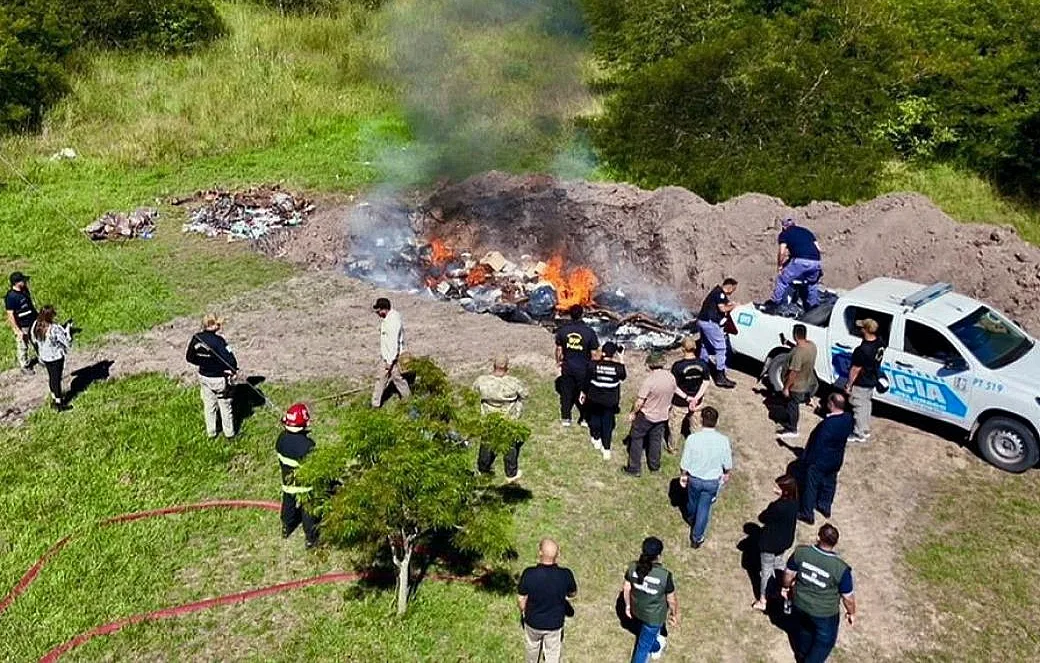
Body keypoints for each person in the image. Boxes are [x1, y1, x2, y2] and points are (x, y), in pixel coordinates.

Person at [782, 524, 856, 663]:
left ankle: (802, 655)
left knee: (804, 631)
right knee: (824, 642)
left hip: (800, 603)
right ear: (835, 543)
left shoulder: (801, 552)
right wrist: (851, 612)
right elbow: (848, 597)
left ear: (818, 537)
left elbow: (788, 573)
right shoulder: (841, 568)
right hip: (825, 613)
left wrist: (785, 587)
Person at [679, 407, 732, 548]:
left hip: (695, 479)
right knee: (704, 508)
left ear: (701, 420)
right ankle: (697, 537)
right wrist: (726, 473)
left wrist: (683, 475)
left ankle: (691, 519)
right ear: (716, 421)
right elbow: (727, 463)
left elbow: (685, 462)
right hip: (712, 481)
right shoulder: (723, 440)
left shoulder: (693, 439)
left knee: (692, 503)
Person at [518, 538, 578, 663]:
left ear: (540, 552)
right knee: (552, 653)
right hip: (554, 625)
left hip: (533, 622)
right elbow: (573, 593)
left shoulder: (529, 574)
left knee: (532, 648)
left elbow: (521, 598)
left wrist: (524, 611)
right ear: (558, 555)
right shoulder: (565, 575)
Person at [798, 393, 854, 525]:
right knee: (829, 482)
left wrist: (808, 461)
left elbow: (818, 444)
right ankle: (825, 506)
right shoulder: (848, 419)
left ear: (831, 404)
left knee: (811, 484)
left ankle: (807, 513)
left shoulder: (827, 425)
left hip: (821, 461)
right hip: (836, 459)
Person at [622, 536, 680, 663]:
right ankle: (657, 646)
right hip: (654, 617)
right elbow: (671, 600)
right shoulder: (664, 576)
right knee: (643, 648)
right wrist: (674, 614)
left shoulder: (632, 568)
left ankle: (655, 645)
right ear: (658, 555)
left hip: (636, 610)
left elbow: (626, 587)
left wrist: (627, 606)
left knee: (646, 638)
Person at [474, 354, 529, 482]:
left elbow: (474, 391)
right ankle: (511, 473)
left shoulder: (482, 381)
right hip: (508, 419)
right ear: (507, 367)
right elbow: (525, 394)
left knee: (486, 444)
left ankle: (483, 469)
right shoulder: (513, 383)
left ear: (493, 365)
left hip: (488, 419)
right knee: (510, 446)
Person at [622, 351, 676, 477]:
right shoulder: (671, 377)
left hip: (646, 416)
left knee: (636, 438)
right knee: (656, 440)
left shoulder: (650, 381)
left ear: (650, 365)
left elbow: (639, 402)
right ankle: (654, 466)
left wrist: (633, 413)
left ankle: (634, 468)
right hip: (662, 415)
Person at [185, 313, 238, 439]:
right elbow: (230, 361)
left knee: (209, 405)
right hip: (219, 379)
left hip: (204, 376)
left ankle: (211, 433)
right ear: (213, 325)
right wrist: (230, 370)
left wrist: (203, 363)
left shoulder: (196, 338)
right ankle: (229, 434)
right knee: (225, 405)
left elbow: (189, 357)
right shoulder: (219, 342)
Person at [752, 474, 800, 611]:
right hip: (785, 541)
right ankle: (784, 588)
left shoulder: (777, 506)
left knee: (766, 571)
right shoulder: (795, 503)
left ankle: (763, 600)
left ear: (785, 490)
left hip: (770, 543)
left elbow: (763, 517)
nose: (774, 489)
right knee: (779, 564)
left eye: (778, 487)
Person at [276, 402, 318, 548]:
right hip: (305, 486)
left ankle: (286, 528)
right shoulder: (307, 445)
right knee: (308, 512)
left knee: (288, 505)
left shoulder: (281, 440)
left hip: (288, 482)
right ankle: (310, 539)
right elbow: (314, 467)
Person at [554, 304, 599, 426]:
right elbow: (594, 354)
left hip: (567, 367)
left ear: (570, 315)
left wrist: (559, 363)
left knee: (566, 393)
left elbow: (559, 350)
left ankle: (566, 418)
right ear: (582, 314)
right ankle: (584, 418)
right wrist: (594, 368)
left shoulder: (563, 330)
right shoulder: (589, 332)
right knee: (584, 394)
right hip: (584, 369)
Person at [768, 217, 823, 309]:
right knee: (812, 283)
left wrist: (780, 266)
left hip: (801, 261)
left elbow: (782, 252)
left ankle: (775, 302)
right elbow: (819, 249)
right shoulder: (807, 231)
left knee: (782, 280)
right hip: (816, 261)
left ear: (784, 227)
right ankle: (813, 306)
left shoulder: (784, 234)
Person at [584, 342, 626, 461]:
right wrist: (621, 357)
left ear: (603, 352)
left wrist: (583, 392)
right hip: (610, 401)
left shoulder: (593, 365)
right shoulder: (618, 368)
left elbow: (587, 379)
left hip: (595, 398)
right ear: (613, 354)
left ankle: (596, 438)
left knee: (595, 419)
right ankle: (606, 449)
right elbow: (623, 376)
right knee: (607, 424)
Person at [844, 319, 884, 443]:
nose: (860, 329)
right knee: (866, 404)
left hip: (862, 381)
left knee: (858, 407)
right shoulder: (880, 342)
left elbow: (855, 369)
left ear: (866, 330)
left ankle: (858, 433)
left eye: (862, 327)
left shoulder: (862, 350)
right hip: (872, 378)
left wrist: (849, 385)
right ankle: (865, 429)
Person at [668, 335, 710, 453]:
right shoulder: (703, 364)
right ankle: (696, 447)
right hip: (697, 402)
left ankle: (673, 448)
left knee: (675, 426)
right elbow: (706, 382)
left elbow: (674, 386)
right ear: (695, 348)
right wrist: (696, 398)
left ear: (682, 349)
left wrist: (687, 398)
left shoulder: (678, 366)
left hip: (680, 402)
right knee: (696, 426)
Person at [696, 278, 739, 388]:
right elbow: (722, 309)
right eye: (733, 289)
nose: (732, 292)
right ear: (729, 287)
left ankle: (701, 370)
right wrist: (734, 306)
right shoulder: (720, 294)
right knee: (721, 348)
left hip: (702, 321)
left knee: (705, 346)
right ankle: (720, 376)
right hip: (710, 322)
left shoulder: (716, 292)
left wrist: (729, 304)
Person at [778, 324, 818, 439]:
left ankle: (792, 428)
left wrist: (786, 388)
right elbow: (800, 348)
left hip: (797, 386)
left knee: (792, 405)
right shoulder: (812, 346)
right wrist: (789, 344)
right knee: (794, 403)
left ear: (795, 335)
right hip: (808, 381)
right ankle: (807, 400)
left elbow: (793, 373)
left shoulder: (798, 353)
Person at [372, 297, 411, 408]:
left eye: (378, 310)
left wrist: (390, 362)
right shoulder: (390, 318)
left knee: (390, 379)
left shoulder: (393, 322)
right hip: (388, 356)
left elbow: (393, 343)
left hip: (392, 358)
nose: (377, 313)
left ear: (384, 309)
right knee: (390, 379)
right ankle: (408, 401)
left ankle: (375, 405)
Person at [30, 305, 72, 411]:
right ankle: (59, 403)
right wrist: (67, 330)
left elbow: (33, 339)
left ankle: (54, 397)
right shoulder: (54, 328)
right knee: (57, 379)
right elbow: (67, 342)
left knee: (51, 378)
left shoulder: (35, 325)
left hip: (45, 357)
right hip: (56, 357)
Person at [5, 271, 38, 374]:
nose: (25, 282)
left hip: (32, 321)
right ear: (17, 283)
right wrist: (17, 330)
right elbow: (10, 315)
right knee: (23, 345)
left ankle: (41, 358)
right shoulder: (11, 297)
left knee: (36, 341)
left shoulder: (24, 290)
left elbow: (30, 305)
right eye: (23, 280)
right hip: (22, 325)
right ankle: (24, 365)